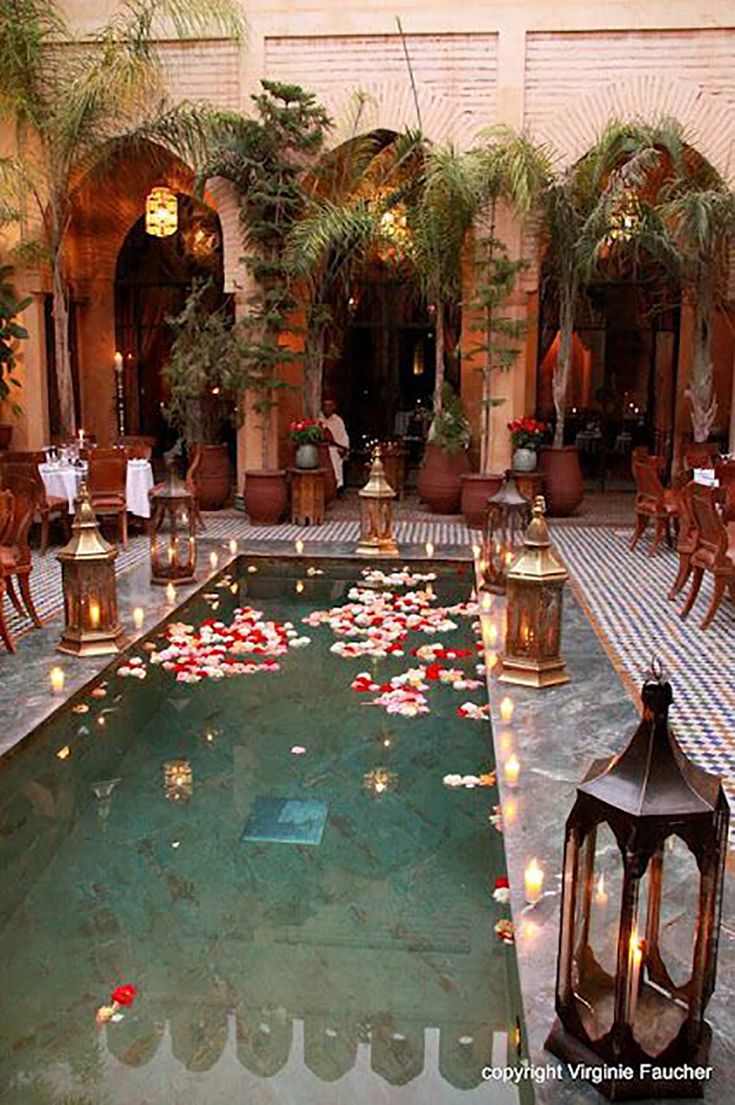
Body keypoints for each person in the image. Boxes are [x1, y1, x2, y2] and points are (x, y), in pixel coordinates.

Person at [319, 396, 350, 492]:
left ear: (334, 407)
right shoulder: (318, 419)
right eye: (326, 406)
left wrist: (343, 448)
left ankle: (337, 486)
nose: (328, 408)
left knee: (335, 456)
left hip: (335, 448)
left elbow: (342, 437)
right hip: (321, 448)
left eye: (330, 406)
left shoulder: (338, 421)